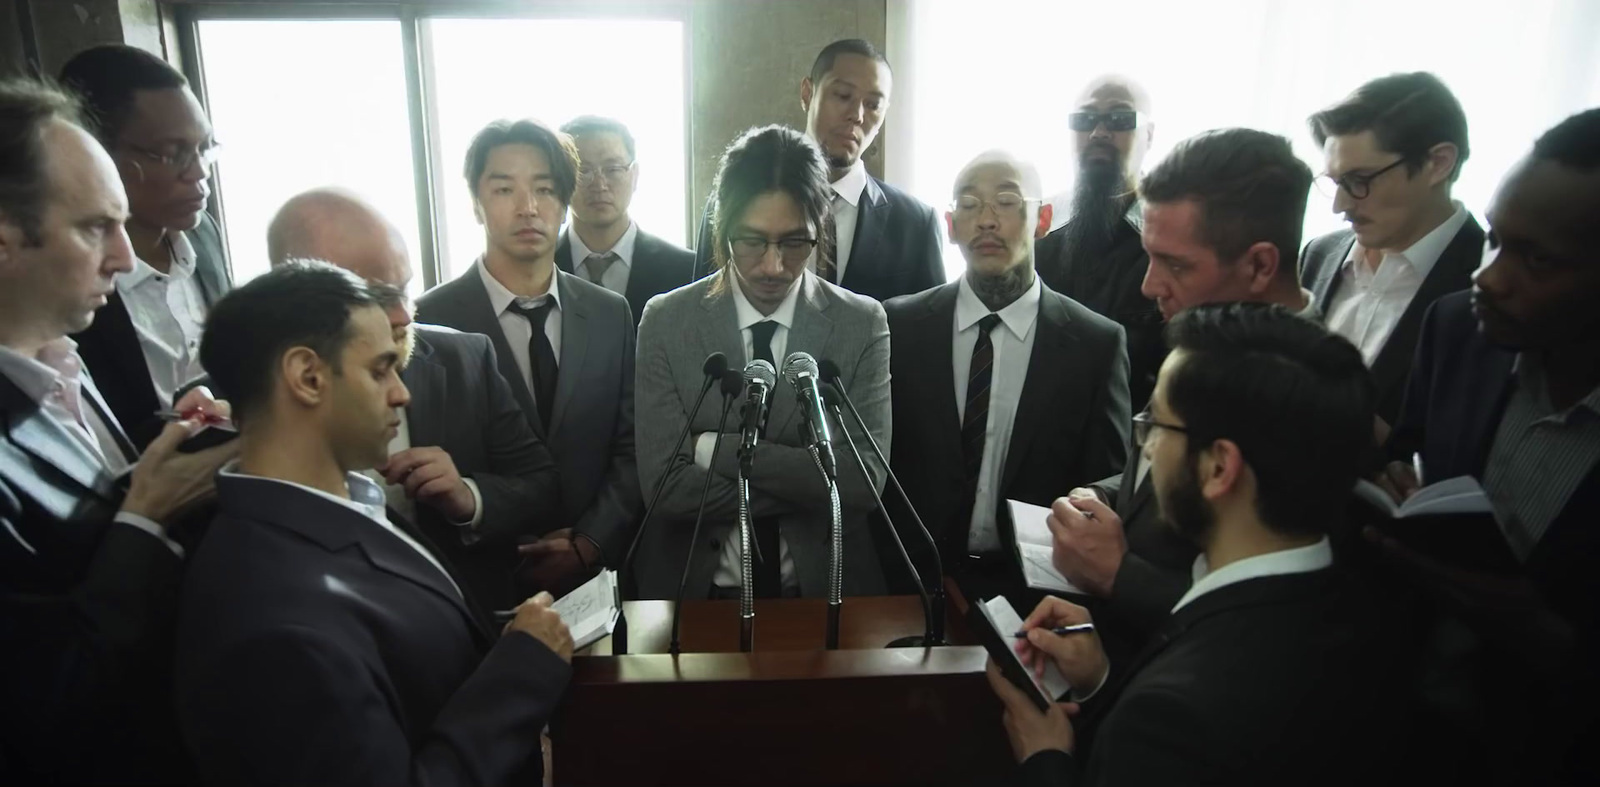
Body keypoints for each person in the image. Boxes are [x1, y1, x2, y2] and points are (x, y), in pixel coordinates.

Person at [176, 262, 574, 786]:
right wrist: (523, 670)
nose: (402, 393)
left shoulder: (348, 505)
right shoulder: (276, 623)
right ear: (308, 376)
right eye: (380, 370)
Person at [989, 302, 1400, 786]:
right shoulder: (1367, 617)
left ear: (1219, 468)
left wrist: (1045, 760)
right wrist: (1101, 680)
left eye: (1157, 424)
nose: (1147, 447)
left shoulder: (1171, 717)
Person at [0, 77, 236, 784]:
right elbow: (46, 695)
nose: (126, 257)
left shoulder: (64, 359)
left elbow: (84, 526)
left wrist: (169, 456)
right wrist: (147, 512)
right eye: (93, 227)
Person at [1383, 108, 1600, 785]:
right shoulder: (1457, 330)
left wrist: (1548, 639)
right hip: (1389, 724)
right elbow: (1407, 457)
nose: (1490, 278)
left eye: (1537, 259)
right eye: (1496, 241)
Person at [1049, 128, 1319, 655]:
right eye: (1149, 257)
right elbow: (1156, 463)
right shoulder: (1200, 328)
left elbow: (1278, 623)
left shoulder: (1316, 401)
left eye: (1175, 264)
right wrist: (1107, 495)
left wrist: (1119, 575)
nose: (1150, 285)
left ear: (1260, 265)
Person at [267, 188, 562, 609]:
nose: (404, 316)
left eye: (404, 290)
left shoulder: (467, 360)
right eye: (376, 297)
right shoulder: (234, 406)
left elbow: (542, 485)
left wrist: (468, 498)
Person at [634, 125, 890, 599]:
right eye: (751, 241)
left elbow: (863, 483)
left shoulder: (862, 323)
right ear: (722, 226)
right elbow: (664, 488)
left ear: (820, 229)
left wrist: (713, 450)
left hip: (825, 593)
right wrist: (810, 485)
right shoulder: (667, 321)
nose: (773, 267)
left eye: (795, 244)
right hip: (697, 595)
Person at [885, 150, 1130, 608]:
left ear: (1043, 219)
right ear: (950, 224)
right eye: (970, 204)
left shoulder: (1095, 344)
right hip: (908, 586)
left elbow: (1107, 479)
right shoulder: (899, 325)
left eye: (1006, 201)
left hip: (1037, 595)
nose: (987, 220)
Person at [416, 118, 640, 596]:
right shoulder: (428, 320)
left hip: (596, 576)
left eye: (544, 189)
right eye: (503, 190)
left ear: (564, 203)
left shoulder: (609, 313)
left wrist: (589, 543)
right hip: (477, 579)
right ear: (476, 203)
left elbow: (631, 449)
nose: (528, 208)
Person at [58, 44, 232, 450]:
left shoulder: (203, 233)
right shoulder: (65, 275)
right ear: (97, 153)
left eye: (204, 149)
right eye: (173, 154)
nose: (199, 174)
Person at [694, 39, 944, 301]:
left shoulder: (914, 224)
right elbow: (702, 313)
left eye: (872, 105)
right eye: (843, 96)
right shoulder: (731, 201)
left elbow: (927, 329)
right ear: (807, 94)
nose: (857, 115)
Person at [1301, 72, 1483, 429]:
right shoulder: (1318, 255)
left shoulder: (1489, 284)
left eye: (1360, 181)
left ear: (1438, 163)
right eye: (1337, 182)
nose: (1339, 206)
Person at [1035, 75, 1165, 409]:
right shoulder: (1035, 225)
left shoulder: (1170, 239)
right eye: (1085, 120)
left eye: (1120, 119)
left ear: (1148, 135)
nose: (1099, 132)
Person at [555, 115, 696, 329]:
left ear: (635, 175)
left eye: (613, 169)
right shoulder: (539, 265)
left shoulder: (687, 270)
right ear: (563, 179)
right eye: (583, 171)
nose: (600, 184)